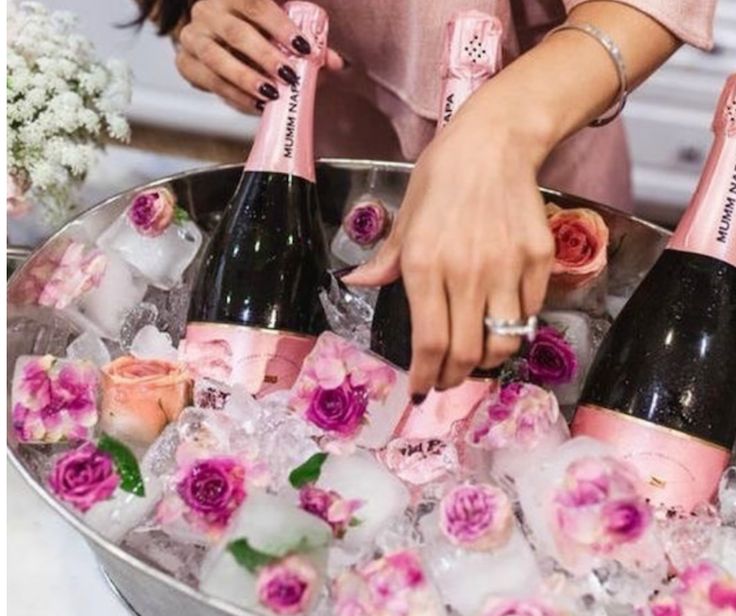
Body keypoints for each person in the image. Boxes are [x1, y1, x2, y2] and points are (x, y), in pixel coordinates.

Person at [135, 0, 716, 402]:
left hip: (529, 167)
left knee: (539, 383)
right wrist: (208, 23)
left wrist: (503, 131)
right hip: (332, 156)